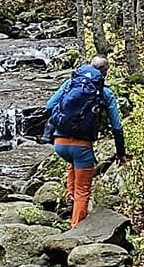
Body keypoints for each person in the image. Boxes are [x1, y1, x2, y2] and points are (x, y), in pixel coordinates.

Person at [41, 54, 126, 228]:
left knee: (73, 164)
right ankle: (76, 231)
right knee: (83, 191)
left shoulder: (70, 84)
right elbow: (117, 126)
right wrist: (121, 153)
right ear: (105, 72)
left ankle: (69, 199)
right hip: (82, 147)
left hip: (60, 144)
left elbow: (49, 106)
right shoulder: (105, 93)